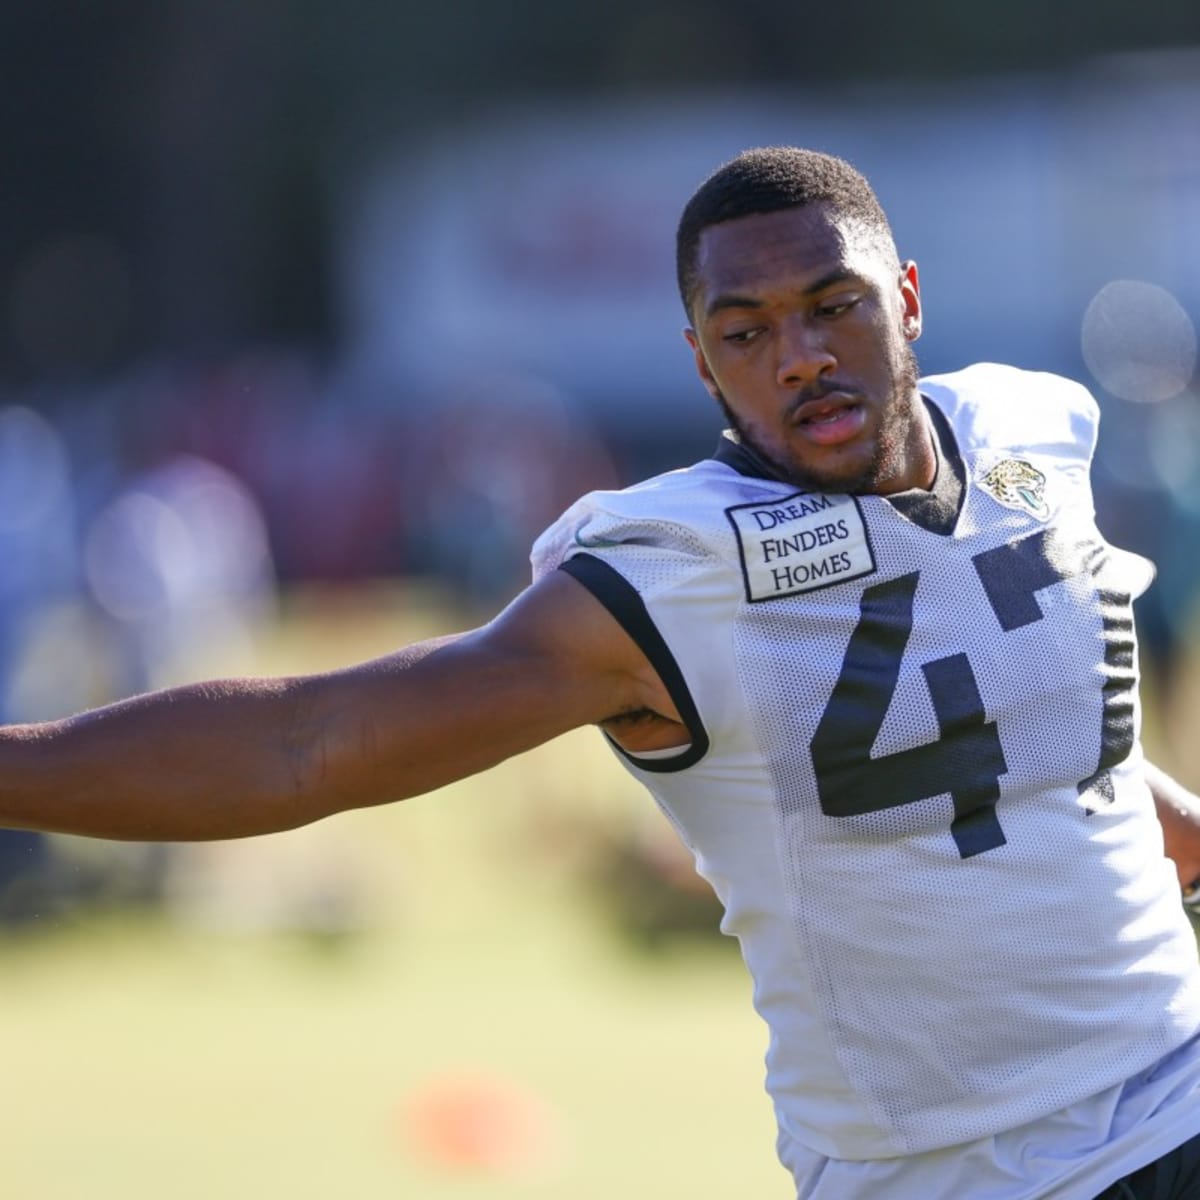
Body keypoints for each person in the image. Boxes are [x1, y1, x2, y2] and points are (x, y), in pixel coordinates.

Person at [4, 147, 1200, 1198]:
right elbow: (311, 741)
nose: (801, 357)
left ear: (911, 300)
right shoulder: (670, 576)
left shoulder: (1033, 431)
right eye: (748, 331)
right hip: (961, 1173)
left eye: (837, 307)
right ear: (699, 360)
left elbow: (1055, 760)